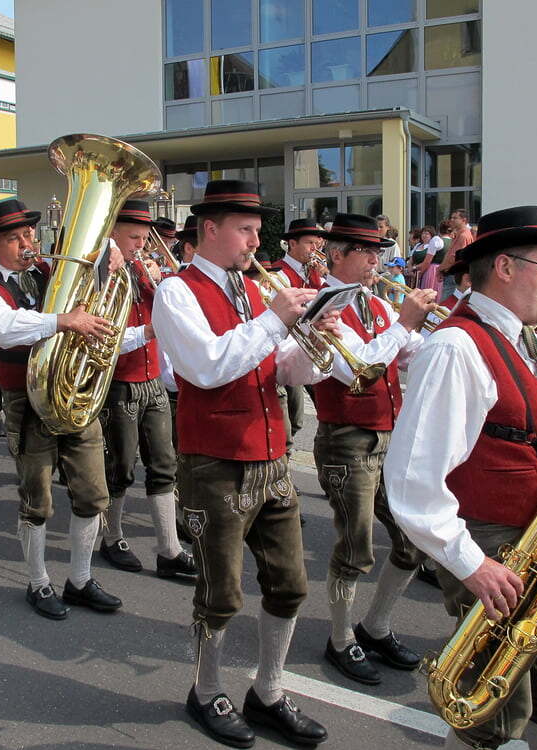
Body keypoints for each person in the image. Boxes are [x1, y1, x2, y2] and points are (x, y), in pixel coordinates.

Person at [385, 205, 537, 750]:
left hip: (534, 531)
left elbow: (512, 418)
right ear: (504, 267)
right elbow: (412, 479)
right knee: (490, 708)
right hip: (491, 542)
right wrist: (472, 565)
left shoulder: (523, 336)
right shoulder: (454, 347)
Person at [153, 180, 331, 748]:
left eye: (257, 230)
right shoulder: (176, 291)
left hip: (272, 457)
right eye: (246, 230)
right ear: (210, 229)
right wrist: (275, 321)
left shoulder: (254, 290)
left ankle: (269, 692)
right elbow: (206, 367)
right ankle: (206, 691)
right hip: (216, 463)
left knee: (290, 586)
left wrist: (315, 345)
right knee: (220, 595)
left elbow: (281, 368)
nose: (257, 241)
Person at [0, 198, 126, 620]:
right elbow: (3, 329)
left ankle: (80, 579)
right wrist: (61, 321)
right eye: (14, 238)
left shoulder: (54, 272)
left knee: (93, 495)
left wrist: (110, 254)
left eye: (29, 235)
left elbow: (98, 279)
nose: (27, 244)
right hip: (26, 400)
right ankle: (38, 582)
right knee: (36, 499)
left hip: (75, 393)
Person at [310, 213, 435, 686]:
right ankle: (341, 639)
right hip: (347, 439)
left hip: (390, 435)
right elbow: (356, 369)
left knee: (412, 539)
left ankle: (376, 626)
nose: (375, 261)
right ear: (335, 254)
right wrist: (403, 326)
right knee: (355, 546)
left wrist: (453, 334)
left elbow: (412, 354)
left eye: (377, 252)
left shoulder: (378, 305)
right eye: (365, 252)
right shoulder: (322, 306)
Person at [98, 199, 195, 580]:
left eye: (144, 238)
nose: (141, 245)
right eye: (133, 237)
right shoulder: (99, 273)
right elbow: (104, 337)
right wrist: (150, 331)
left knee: (164, 464)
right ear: (112, 234)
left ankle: (169, 549)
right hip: (120, 381)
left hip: (153, 379)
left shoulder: (144, 269)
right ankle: (111, 537)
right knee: (120, 467)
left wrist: (165, 282)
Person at [274, 219, 329, 461]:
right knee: (294, 417)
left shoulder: (314, 272)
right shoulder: (278, 273)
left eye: (317, 243)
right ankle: (283, 457)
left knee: (324, 410)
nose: (315, 249)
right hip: (290, 349)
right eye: (309, 243)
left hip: (312, 347)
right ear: (292, 244)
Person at [438, 208, 474, 299]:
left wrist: (440, 269)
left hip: (453, 274)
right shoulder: (460, 234)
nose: (452, 220)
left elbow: (454, 257)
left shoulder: (463, 236)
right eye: (451, 218)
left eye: (455, 218)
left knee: (446, 304)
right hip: (454, 274)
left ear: (464, 220)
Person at [412, 225, 445, 294]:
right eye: (423, 233)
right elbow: (411, 258)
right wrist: (410, 268)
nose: (424, 235)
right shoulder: (418, 245)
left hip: (425, 270)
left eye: (427, 234)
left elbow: (428, 261)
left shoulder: (432, 245)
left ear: (431, 235)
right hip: (414, 272)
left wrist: (415, 268)